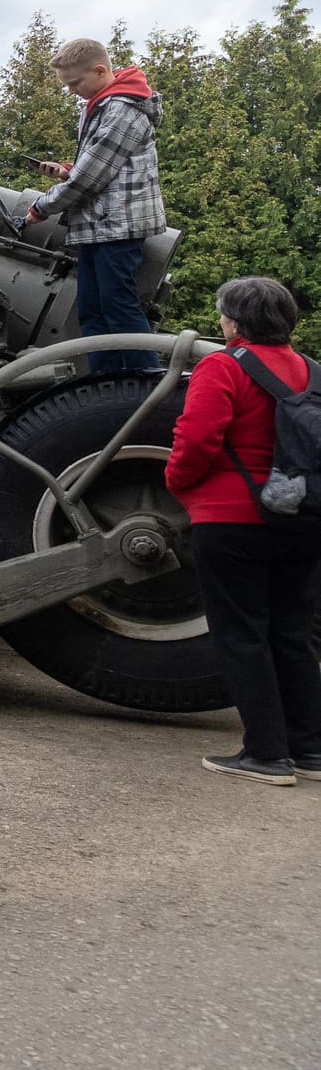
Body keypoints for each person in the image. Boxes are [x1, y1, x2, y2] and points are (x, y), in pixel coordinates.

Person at [163, 276, 321, 785]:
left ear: (233, 321)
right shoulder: (312, 372)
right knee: (292, 632)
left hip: (233, 517)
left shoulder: (223, 366)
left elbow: (196, 436)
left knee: (241, 635)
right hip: (302, 520)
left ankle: (266, 755)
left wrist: (177, 483)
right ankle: (310, 749)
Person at [25, 39, 166, 375]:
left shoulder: (122, 109)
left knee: (118, 306)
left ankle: (148, 379)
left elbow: (90, 178)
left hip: (118, 225)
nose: (72, 91)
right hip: (98, 225)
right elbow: (100, 169)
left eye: (75, 83)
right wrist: (66, 172)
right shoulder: (100, 104)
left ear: (101, 70)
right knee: (91, 310)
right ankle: (104, 381)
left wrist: (41, 207)